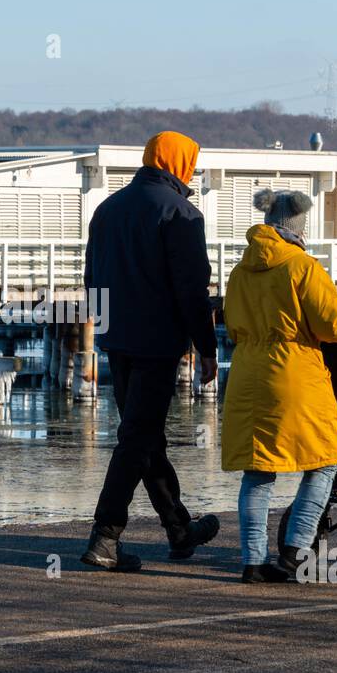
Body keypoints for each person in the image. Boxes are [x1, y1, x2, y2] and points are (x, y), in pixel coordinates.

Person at [220, 189, 337, 583]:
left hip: (247, 376)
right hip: (293, 375)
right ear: (297, 227)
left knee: (258, 471)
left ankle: (252, 561)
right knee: (325, 460)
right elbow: (335, 328)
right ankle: (296, 550)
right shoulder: (303, 267)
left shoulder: (240, 270)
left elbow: (231, 324)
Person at [81, 130, 221, 571]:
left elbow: (92, 280)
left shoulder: (107, 210)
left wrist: (105, 334)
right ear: (178, 163)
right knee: (137, 439)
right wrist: (208, 348)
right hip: (157, 344)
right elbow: (192, 291)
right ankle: (105, 537)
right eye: (191, 163)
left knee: (144, 438)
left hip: (117, 341)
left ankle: (180, 529)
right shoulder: (180, 213)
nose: (193, 171)